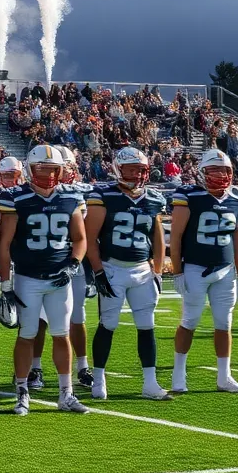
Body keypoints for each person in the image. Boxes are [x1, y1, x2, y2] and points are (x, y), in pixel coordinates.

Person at [0, 145, 88, 415]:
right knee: (26, 335)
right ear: (30, 170)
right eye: (42, 169)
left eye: (53, 169)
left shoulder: (71, 196)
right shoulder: (16, 197)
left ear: (61, 171)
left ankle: (66, 394)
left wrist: (73, 265)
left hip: (60, 278)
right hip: (28, 277)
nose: (48, 174)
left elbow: (80, 239)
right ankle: (22, 393)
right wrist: (5, 285)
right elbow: (5, 243)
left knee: (61, 334)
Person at [85, 147, 171, 400]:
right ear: (118, 169)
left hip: (142, 270)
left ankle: (150, 383)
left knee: (147, 326)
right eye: (132, 169)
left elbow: (157, 236)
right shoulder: (103, 195)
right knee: (108, 324)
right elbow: (90, 238)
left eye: (141, 169)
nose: (137, 174)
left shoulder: (153, 198)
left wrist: (157, 270)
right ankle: (99, 380)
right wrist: (98, 271)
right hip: (113, 267)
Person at [168, 150, 238, 394]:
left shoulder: (237, 197)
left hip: (225, 270)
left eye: (224, 170)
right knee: (189, 320)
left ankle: (224, 376)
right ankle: (178, 374)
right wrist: (178, 271)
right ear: (202, 172)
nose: (220, 176)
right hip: (195, 267)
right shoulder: (189, 195)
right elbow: (177, 236)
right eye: (214, 170)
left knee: (224, 324)